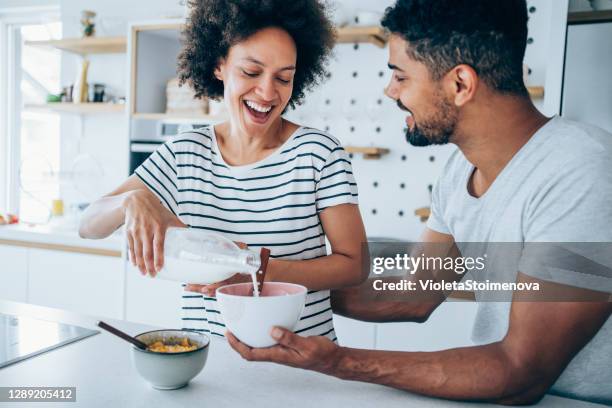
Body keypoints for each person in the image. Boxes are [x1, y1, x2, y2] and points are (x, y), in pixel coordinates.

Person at [225, 0, 612, 405]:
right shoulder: (460, 173)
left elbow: (521, 372)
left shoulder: (583, 172)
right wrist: (268, 289)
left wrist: (339, 362)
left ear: (460, 84)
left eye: (400, 76)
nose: (390, 91)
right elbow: (415, 293)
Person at [79, 0, 367, 341]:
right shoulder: (185, 153)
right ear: (219, 66)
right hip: (208, 364)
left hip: (302, 365)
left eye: (283, 78)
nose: (267, 92)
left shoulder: (319, 154)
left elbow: (354, 265)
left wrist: (255, 271)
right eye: (251, 72)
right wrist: (130, 201)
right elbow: (89, 225)